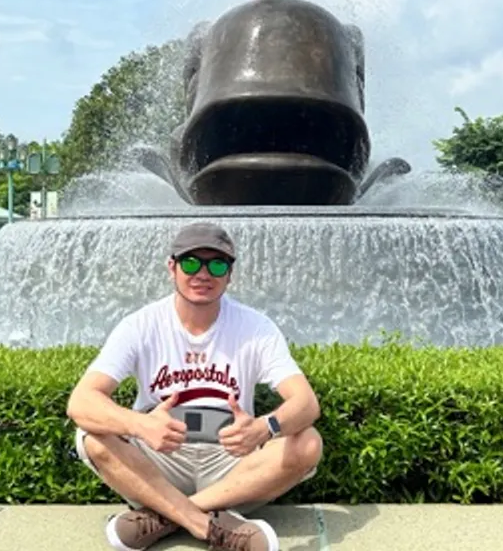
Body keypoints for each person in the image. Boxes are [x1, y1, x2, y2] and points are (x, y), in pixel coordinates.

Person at [67, 222, 322, 551]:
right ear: (171, 267)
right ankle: (209, 525)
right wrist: (140, 425)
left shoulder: (256, 327)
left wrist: (263, 428)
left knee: (307, 442)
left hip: (231, 462)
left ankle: (164, 516)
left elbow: (306, 402)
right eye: (190, 263)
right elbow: (81, 401)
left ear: (230, 275)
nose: (203, 274)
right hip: (159, 458)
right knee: (91, 435)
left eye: (217, 265)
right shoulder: (140, 325)